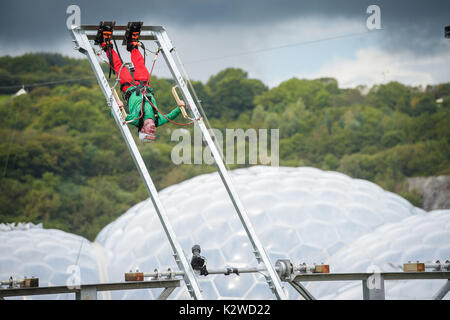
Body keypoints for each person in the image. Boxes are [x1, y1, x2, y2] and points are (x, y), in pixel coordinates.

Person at [98, 25, 182, 142]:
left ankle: (106, 45)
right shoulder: (158, 120)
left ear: (142, 129)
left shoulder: (136, 120)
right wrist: (182, 106)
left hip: (129, 88)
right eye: (154, 132)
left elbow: (117, 116)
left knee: (119, 67)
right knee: (140, 66)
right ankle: (132, 45)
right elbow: (171, 116)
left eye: (150, 131)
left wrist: (118, 106)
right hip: (144, 85)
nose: (153, 129)